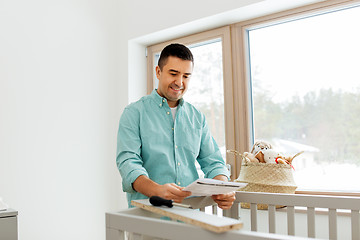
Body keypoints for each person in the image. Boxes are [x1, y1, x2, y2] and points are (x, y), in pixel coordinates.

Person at [116, 43, 235, 209]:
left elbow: (214, 162)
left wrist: (223, 187)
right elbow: (128, 162)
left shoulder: (197, 117)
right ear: (158, 72)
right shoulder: (134, 113)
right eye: (174, 73)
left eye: (186, 76)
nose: (179, 82)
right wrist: (155, 190)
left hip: (189, 216)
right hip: (147, 218)